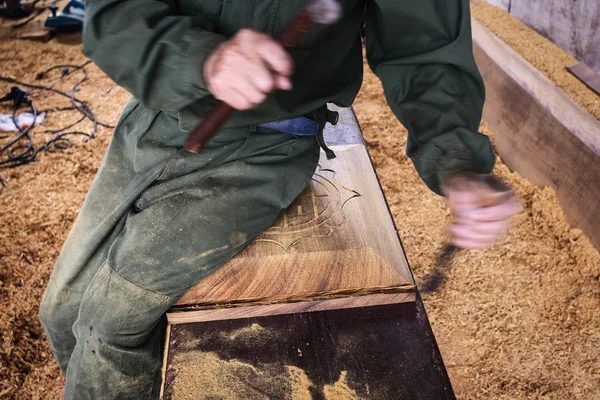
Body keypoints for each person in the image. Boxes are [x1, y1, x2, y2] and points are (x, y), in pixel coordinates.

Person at [39, 0, 521, 398]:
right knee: (61, 313)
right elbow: (112, 13)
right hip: (154, 115)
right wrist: (202, 58)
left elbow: (426, 50)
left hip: (265, 146)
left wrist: (456, 160)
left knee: (111, 328)